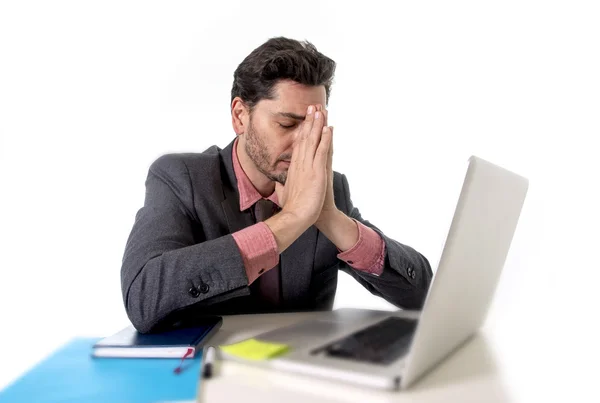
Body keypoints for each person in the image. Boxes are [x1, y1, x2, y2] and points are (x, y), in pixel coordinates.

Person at [121, 37, 433, 333]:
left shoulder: (328, 188)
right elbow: (143, 299)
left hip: (299, 377)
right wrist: (293, 219)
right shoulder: (180, 177)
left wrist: (331, 218)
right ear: (240, 116)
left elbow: (422, 294)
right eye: (287, 124)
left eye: (314, 126)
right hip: (207, 376)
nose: (302, 142)